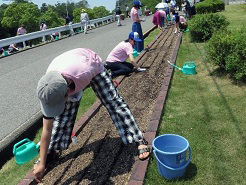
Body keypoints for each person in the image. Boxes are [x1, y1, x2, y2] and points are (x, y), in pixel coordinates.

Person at [33, 48, 150, 182]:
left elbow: (84, 92)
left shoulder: (83, 74)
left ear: (67, 92)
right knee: (63, 117)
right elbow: (47, 129)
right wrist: (42, 162)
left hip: (92, 65)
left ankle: (138, 138)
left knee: (114, 103)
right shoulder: (48, 88)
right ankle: (51, 151)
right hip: (68, 69)